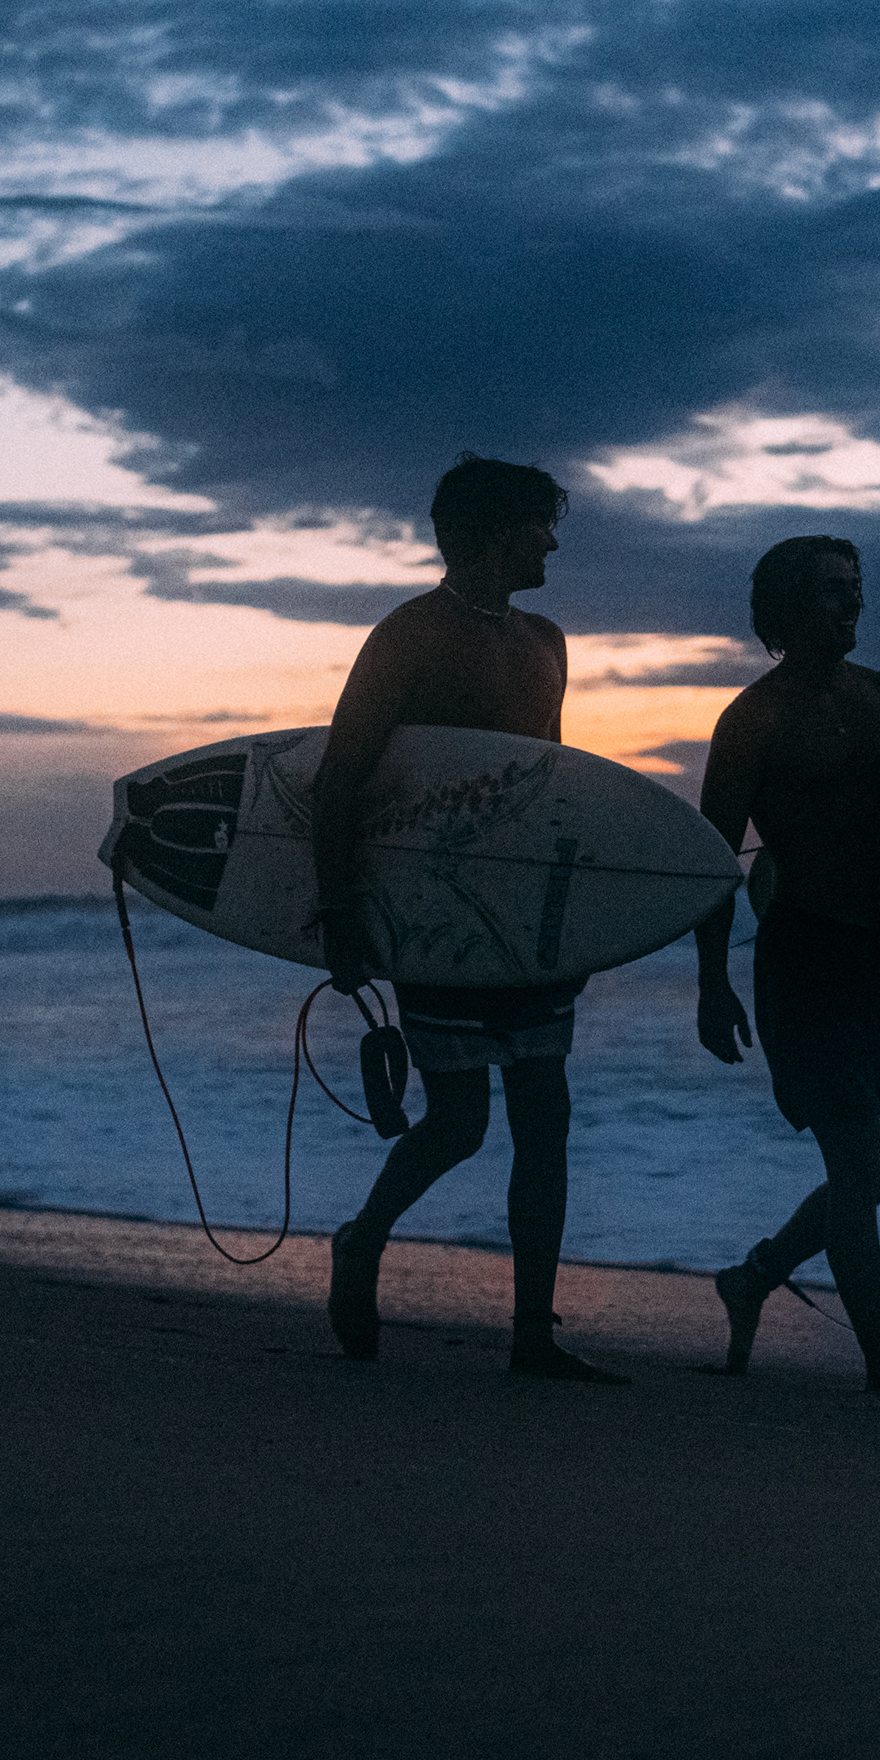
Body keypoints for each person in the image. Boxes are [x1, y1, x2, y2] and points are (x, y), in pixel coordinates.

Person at [316, 455, 621, 1384]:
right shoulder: (408, 637)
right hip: (437, 914)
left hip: (524, 920)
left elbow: (548, 787)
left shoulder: (548, 642)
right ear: (492, 533)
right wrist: (342, 917)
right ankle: (361, 1241)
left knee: (547, 1113)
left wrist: (577, 910)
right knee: (458, 1122)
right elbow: (340, 782)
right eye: (540, 526)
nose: (554, 543)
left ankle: (533, 1336)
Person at [688, 537, 880, 1404]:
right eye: (829, 593)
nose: (851, 606)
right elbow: (712, 860)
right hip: (805, 957)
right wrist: (711, 983)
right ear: (783, 610)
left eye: (855, 589)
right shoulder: (753, 721)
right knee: (855, 1161)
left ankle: (756, 1274)